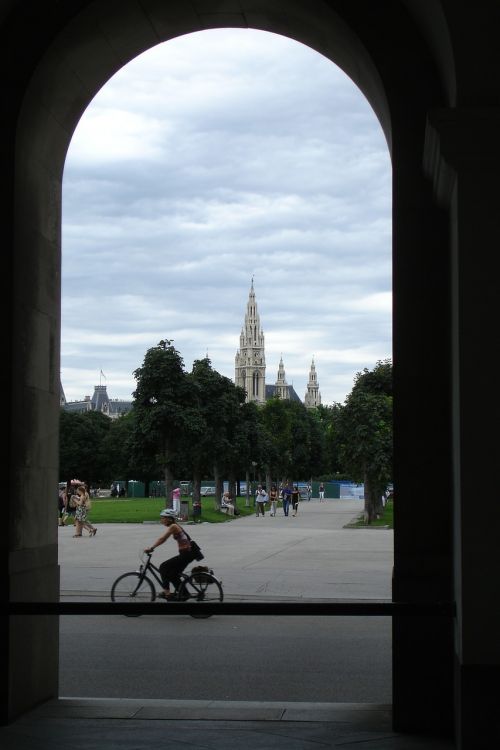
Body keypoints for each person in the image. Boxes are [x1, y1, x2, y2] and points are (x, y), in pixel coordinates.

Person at [144, 510, 199, 599]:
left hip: (186, 554)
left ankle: (167, 593)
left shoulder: (173, 526)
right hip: (187, 554)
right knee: (173, 575)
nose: (161, 520)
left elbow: (163, 538)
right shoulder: (175, 525)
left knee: (163, 567)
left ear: (169, 519)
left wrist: (151, 548)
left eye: (163, 518)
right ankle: (184, 594)